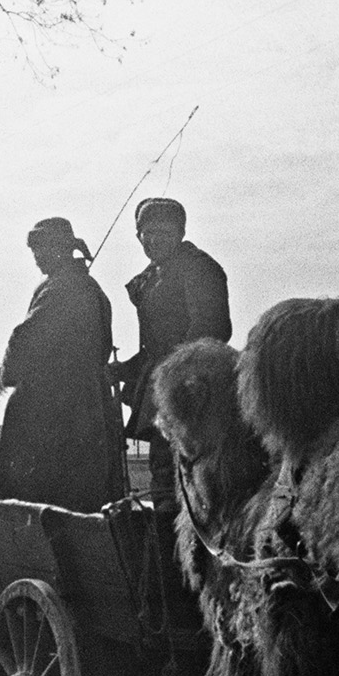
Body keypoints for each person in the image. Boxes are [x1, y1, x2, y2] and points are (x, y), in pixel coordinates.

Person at [0, 217, 126, 511]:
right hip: (89, 406)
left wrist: (10, 375)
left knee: (41, 496)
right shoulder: (87, 287)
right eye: (35, 251)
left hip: (56, 412)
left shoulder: (62, 289)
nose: (38, 258)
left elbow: (24, 339)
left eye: (44, 250)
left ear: (62, 249)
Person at [115, 197, 230, 503]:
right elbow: (154, 348)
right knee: (164, 478)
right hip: (162, 392)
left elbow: (211, 328)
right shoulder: (154, 275)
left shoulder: (198, 267)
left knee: (190, 484)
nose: (153, 240)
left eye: (163, 233)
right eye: (146, 233)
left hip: (193, 396)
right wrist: (124, 369)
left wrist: (175, 375)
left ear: (180, 233)